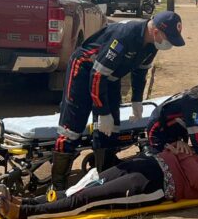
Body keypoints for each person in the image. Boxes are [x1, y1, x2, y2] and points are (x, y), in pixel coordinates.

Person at [52, 11, 186, 191]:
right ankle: (58, 183)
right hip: (84, 70)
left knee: (111, 128)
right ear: (156, 32)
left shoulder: (152, 44)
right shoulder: (125, 37)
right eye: (168, 38)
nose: (169, 43)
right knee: (72, 129)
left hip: (110, 76)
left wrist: (136, 101)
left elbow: (140, 73)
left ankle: (104, 172)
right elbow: (97, 74)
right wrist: (102, 111)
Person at [0, 142, 198, 219]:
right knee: (83, 185)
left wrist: (182, 155)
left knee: (87, 199)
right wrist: (175, 149)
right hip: (147, 164)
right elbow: (174, 152)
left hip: (155, 185)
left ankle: (21, 212)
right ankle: (28, 202)